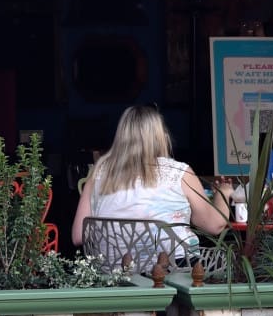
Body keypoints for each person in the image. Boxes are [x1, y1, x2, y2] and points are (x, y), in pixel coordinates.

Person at [72, 104, 227, 258]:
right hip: (175, 268)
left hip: (114, 269)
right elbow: (214, 225)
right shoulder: (179, 172)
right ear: (160, 136)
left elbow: (78, 236)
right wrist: (224, 193)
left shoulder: (98, 174)